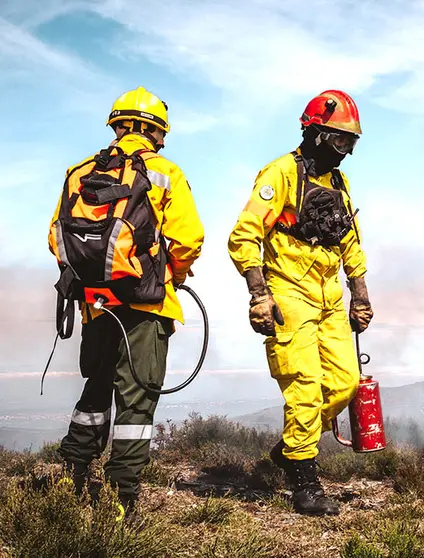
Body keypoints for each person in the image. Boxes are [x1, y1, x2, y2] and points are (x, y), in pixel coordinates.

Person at [48, 86, 205, 518]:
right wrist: (172, 274)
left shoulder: (79, 171)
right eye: (161, 133)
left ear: (118, 126)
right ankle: (121, 499)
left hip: (95, 302)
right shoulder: (164, 172)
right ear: (152, 129)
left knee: (96, 389)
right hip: (145, 305)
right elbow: (189, 239)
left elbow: (56, 236)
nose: (162, 141)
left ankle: (71, 476)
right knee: (136, 401)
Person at [227, 89, 373, 516]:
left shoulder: (338, 183)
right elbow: (244, 235)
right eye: (340, 140)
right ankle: (305, 483)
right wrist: (259, 295)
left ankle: (291, 447)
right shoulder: (280, 174)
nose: (345, 151)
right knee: (305, 387)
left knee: (345, 383)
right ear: (317, 133)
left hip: (329, 297)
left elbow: (350, 241)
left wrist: (360, 294)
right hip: (289, 293)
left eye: (351, 142)